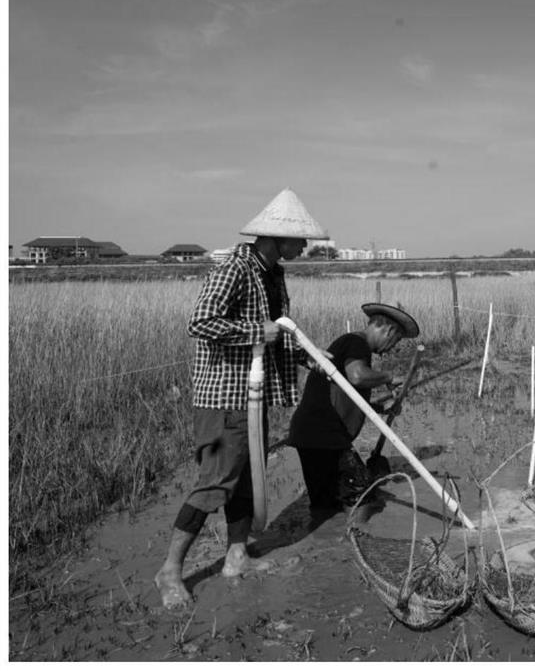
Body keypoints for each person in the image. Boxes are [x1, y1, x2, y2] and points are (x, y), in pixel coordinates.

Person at [154, 188, 329, 610]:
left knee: (249, 476)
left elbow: (279, 331)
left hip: (255, 394)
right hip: (224, 396)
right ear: (273, 237)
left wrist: (312, 357)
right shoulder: (233, 269)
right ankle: (170, 570)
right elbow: (201, 322)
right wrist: (255, 333)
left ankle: (236, 556)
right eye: (298, 239)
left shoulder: (273, 273)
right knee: (216, 482)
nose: (303, 246)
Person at [286, 303, 420, 514]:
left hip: (310, 434)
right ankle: (359, 538)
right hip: (326, 435)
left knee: (326, 504)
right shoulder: (357, 343)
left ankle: (326, 542)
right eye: (395, 341)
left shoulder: (348, 344)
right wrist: (389, 376)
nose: (392, 348)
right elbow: (357, 376)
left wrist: (380, 408)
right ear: (388, 331)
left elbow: (346, 394)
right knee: (363, 497)